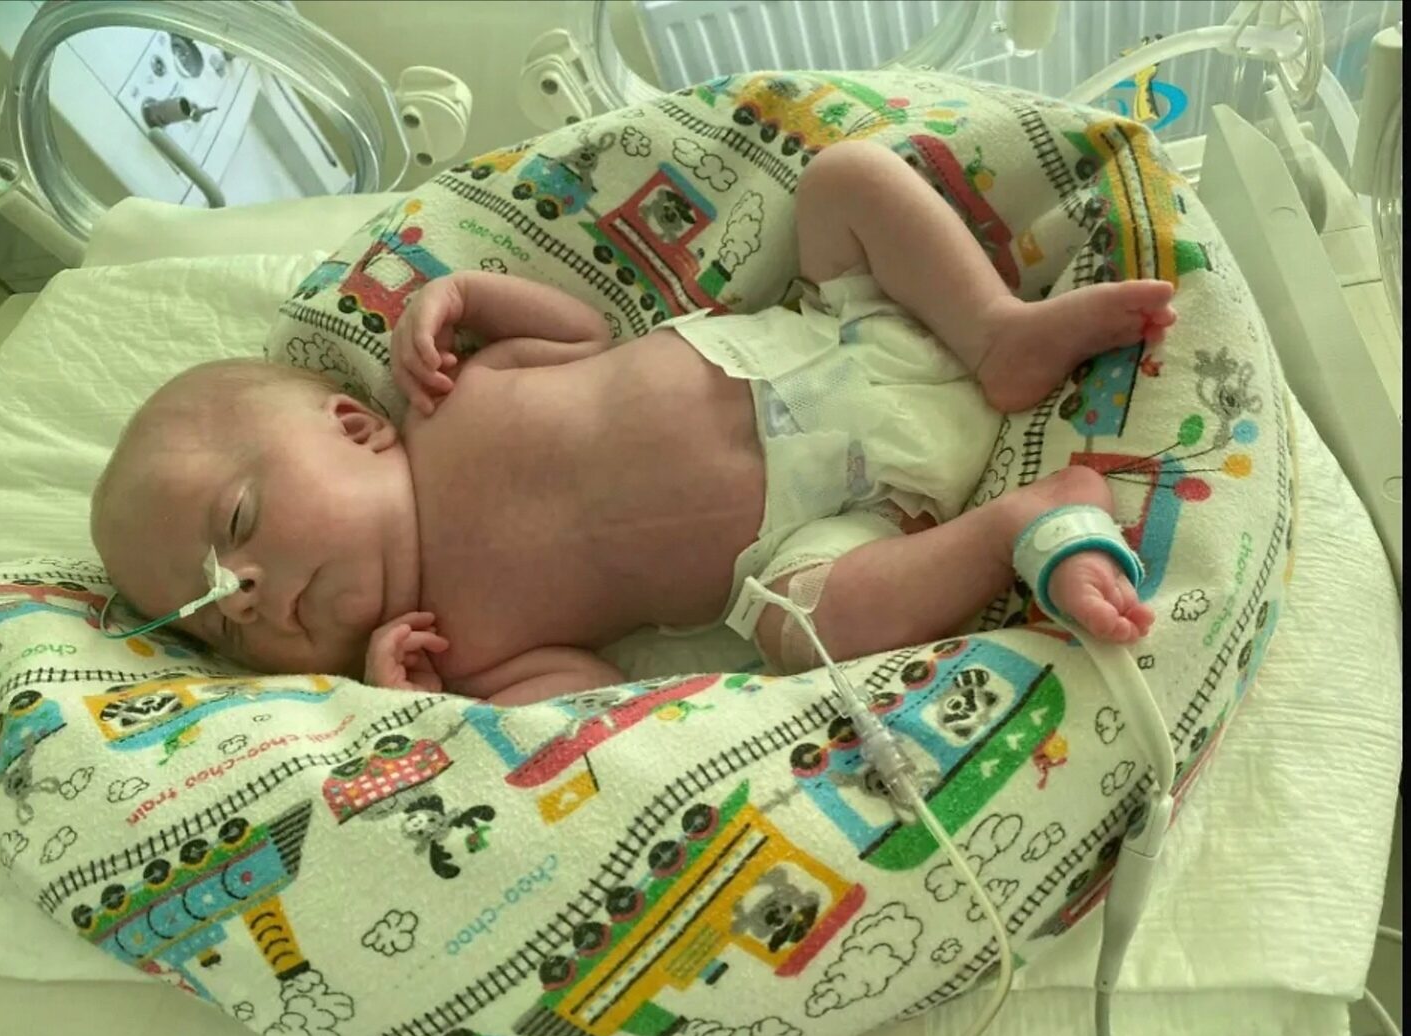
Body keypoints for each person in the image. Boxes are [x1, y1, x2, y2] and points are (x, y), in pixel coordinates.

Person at [92, 141, 1170, 704]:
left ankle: (995, 331)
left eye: (237, 524)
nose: (242, 593)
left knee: (843, 182)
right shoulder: (463, 651)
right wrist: (423, 708)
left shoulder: (446, 399)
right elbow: (591, 699)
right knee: (808, 634)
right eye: (221, 627)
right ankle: (1018, 524)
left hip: (849, 332)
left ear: (351, 424)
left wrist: (462, 293)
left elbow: (587, 331)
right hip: (838, 526)